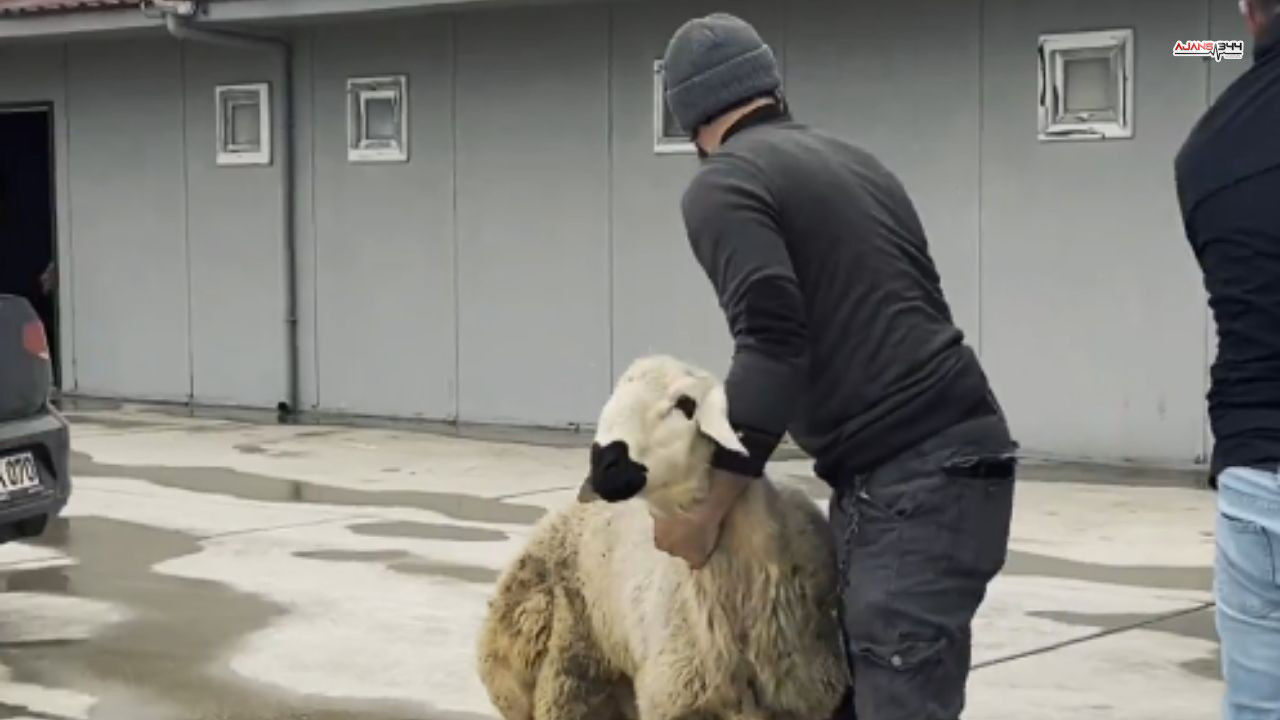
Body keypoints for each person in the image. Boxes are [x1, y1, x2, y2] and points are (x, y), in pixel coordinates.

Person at [653, 13, 1017, 720]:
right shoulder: (855, 162)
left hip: (911, 478)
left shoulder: (723, 184)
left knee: (895, 700)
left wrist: (705, 509)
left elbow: (771, 343)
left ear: (689, 121)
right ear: (770, 86)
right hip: (957, 459)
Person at [1176, 1, 1280, 717]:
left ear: (1247, 13)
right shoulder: (1195, 50)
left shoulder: (1204, 151)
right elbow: (1189, 48)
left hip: (1253, 477)